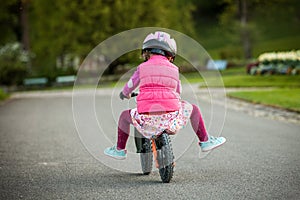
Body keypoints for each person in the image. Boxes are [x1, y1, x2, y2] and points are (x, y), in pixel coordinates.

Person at [104, 31, 226, 160]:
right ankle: (205, 142)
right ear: (170, 55)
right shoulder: (174, 69)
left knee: (124, 116)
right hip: (170, 118)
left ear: (146, 52)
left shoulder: (142, 67)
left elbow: (130, 85)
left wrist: (124, 94)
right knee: (194, 109)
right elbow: (178, 91)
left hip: (147, 119)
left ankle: (120, 150)